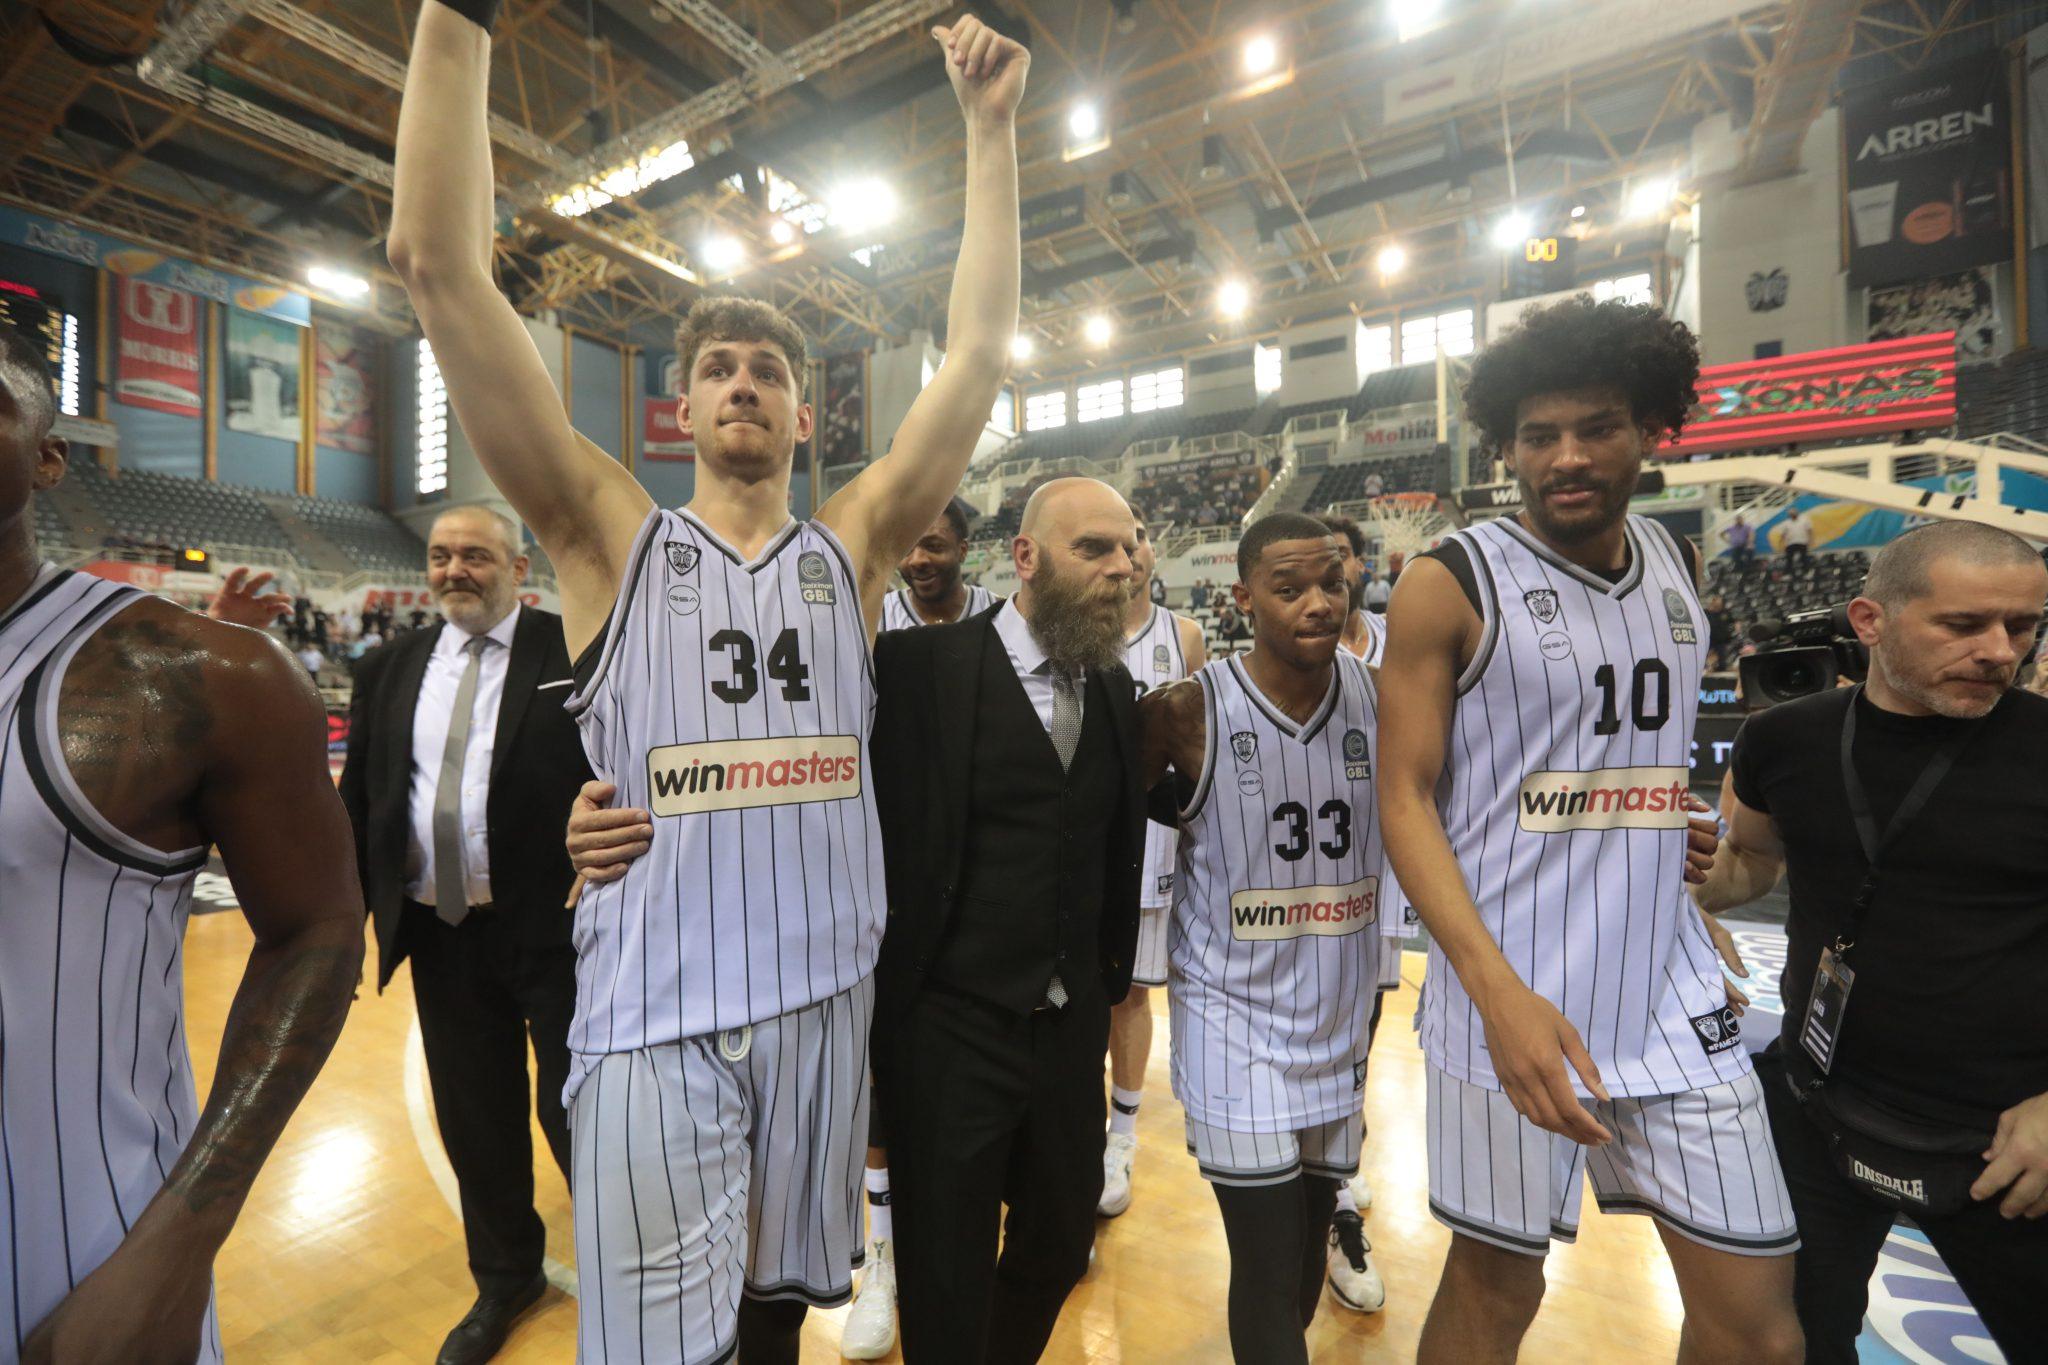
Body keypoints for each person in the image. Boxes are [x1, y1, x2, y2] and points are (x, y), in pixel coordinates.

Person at [389, 4, 1026, 1360]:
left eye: (770, 371)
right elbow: (438, 269)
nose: (745, 383)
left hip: (822, 1002)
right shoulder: (608, 535)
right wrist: (460, 24)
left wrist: (990, 132)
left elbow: (975, 357)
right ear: (680, 410)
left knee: (774, 1323)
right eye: (719, 369)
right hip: (652, 1016)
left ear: (803, 413)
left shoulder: (854, 545)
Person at [1377, 296, 1803, 1365]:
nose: (1565, 456)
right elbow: (1402, 799)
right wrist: (1494, 995)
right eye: (1538, 435)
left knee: (1760, 1335)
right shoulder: (1447, 582)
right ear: (1507, 445)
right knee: (1494, 1290)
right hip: (1510, 996)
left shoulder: (1677, 562)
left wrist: (1672, 863)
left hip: (1671, 993)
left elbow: (1634, 758)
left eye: (1596, 427)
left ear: (1649, 428)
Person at [0, 322, 364, 1363]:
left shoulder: (200, 675)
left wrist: (177, 1250)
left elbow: (318, 931)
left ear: (48, 454)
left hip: (80, 1253)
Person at [1694, 519, 2048, 1362]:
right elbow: (1750, 861)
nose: (2000, 651)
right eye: (1964, 624)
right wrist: (1660, 890)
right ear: (1869, 620)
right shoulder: (1784, 737)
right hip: (1817, 1108)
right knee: (1779, 1345)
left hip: (2011, 1142)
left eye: (2023, 625)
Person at [338, 505, 592, 1365]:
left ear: (519, 568)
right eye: (442, 555)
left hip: (561, 929)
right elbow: (362, 801)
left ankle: (626, 1258)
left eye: (476, 556)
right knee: (474, 1115)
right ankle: (507, 1276)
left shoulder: (574, 650)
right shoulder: (389, 665)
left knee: (579, 1109)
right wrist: (343, 929)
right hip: (442, 930)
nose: (455, 570)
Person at [1138, 513, 1386, 1361]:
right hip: (1232, 1020)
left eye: (1331, 583)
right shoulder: (1182, 712)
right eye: (1289, 588)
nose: (1317, 603)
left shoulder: (1385, 696)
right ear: (1244, 598)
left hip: (1339, 1018)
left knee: (1304, 1263)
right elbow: (1097, 823)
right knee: (1268, 1261)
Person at [1099, 509, 1207, 1221]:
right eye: (1115, 540)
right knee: (1082, 991)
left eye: (1138, 536)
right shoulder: (1075, 629)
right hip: (1087, 830)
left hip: (1155, 832)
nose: (1130, 551)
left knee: (1133, 992)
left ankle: (1123, 1133)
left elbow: (1198, 743)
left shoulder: (1184, 635)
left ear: (1152, 551)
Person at [881, 495, 999, 630]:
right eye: (906, 549)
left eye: (934, 546)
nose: (917, 560)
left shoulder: (999, 612)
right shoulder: (877, 618)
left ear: (962, 550)